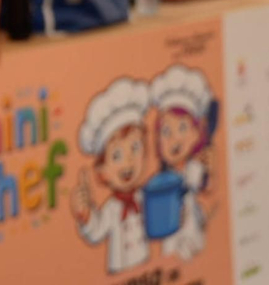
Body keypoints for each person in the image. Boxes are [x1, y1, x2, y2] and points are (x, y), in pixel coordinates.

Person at [72, 76, 152, 274]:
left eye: (135, 147)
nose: (128, 161)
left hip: (148, 270)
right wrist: (86, 214)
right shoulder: (111, 209)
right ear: (102, 173)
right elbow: (97, 232)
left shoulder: (145, 196)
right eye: (116, 155)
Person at [149, 65, 216, 262]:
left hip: (190, 230)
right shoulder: (160, 178)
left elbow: (205, 184)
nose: (174, 138)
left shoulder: (193, 168)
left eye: (183, 127)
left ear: (197, 134)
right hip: (169, 234)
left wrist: (210, 170)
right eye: (166, 131)